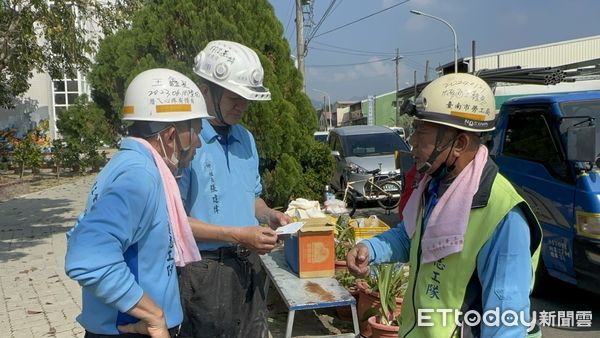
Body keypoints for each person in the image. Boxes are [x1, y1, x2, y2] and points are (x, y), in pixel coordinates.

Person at [346, 73, 542, 337]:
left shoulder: (503, 215)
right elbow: (410, 236)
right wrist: (370, 249)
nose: (412, 141)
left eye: (421, 131)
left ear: (459, 144)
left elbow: (507, 323)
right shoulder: (436, 186)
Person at [65, 68, 211, 338]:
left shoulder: (129, 164)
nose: (199, 144)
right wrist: (153, 316)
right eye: (196, 132)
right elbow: (86, 256)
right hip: (132, 329)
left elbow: (81, 231)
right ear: (169, 136)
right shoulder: (139, 175)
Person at [177, 40, 292, 338]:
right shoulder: (189, 140)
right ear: (206, 92)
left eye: (246, 99)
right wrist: (238, 234)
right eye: (233, 98)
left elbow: (252, 197)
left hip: (248, 264)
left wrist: (269, 215)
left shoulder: (246, 139)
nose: (242, 106)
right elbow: (175, 222)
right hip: (204, 271)